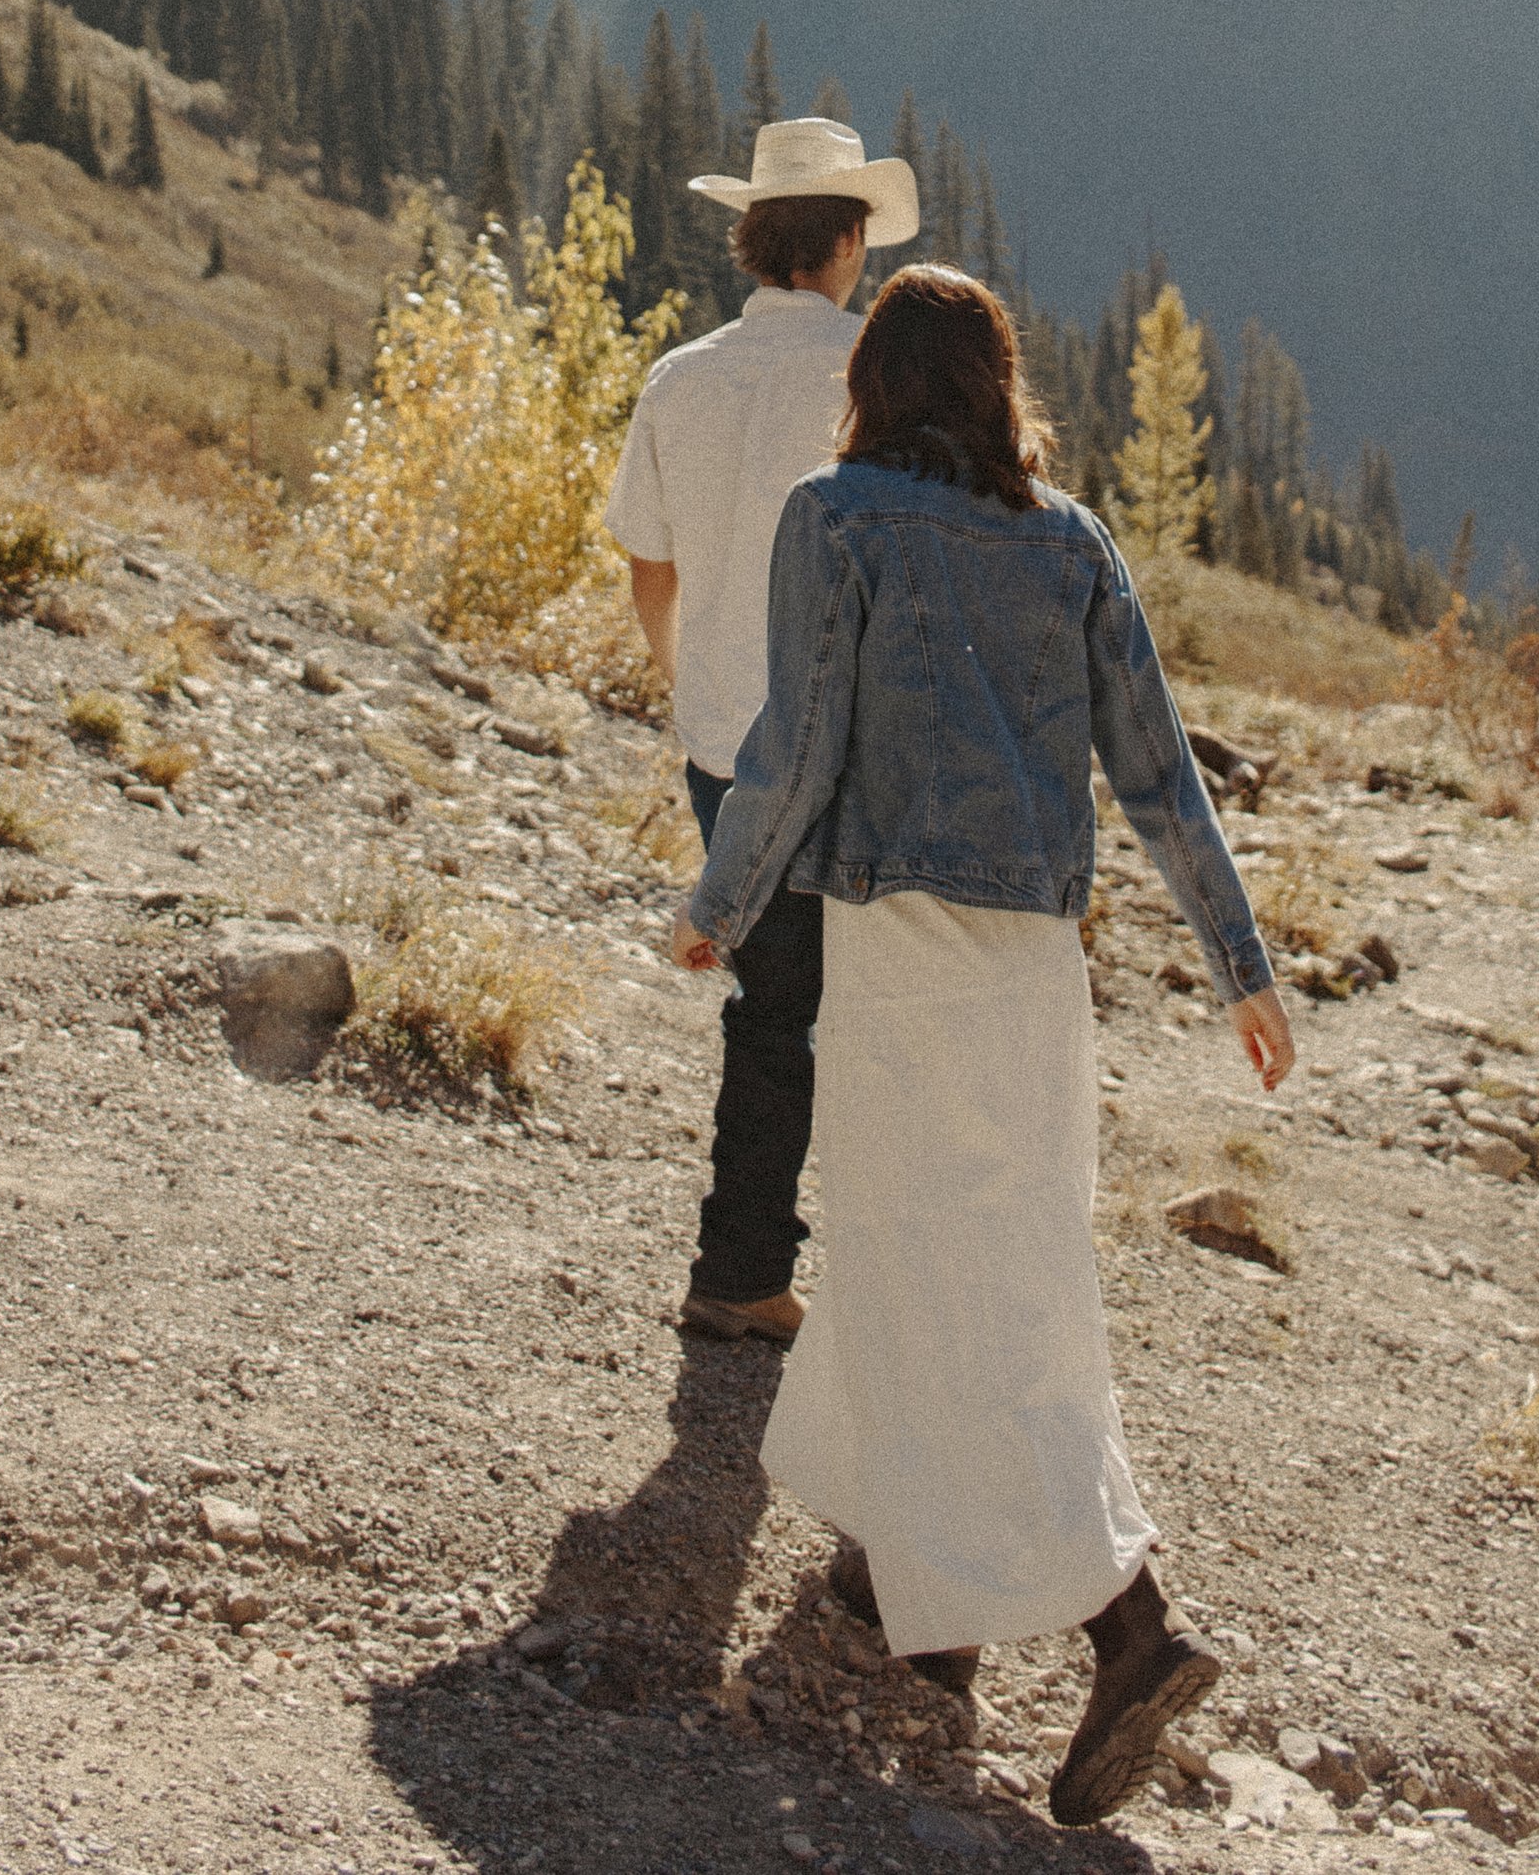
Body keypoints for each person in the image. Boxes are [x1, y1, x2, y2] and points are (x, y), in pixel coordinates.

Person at [668, 265, 1296, 1832]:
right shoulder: (1071, 537)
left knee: (927, 1258)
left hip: (899, 944)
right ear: (1003, 388)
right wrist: (1244, 964)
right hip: (1034, 968)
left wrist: (721, 900)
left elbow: (795, 745)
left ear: (872, 384)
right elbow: (1158, 769)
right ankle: (911, 1600)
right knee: (997, 1261)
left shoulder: (837, 514)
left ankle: (1128, 1623)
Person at [604, 112, 921, 1344]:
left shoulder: (678, 378)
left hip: (724, 746)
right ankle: (812, 1282)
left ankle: (746, 1269)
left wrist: (695, 688)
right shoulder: (875, 377)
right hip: (853, 749)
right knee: (871, 1014)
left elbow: (649, 563)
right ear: (846, 242)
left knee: (772, 1005)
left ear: (753, 237)